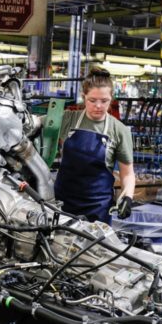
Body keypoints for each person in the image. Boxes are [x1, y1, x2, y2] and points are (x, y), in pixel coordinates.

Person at [54, 67, 135, 224]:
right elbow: (32, 124)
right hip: (62, 204)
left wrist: (128, 196)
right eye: (92, 100)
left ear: (111, 99)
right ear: (84, 97)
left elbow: (128, 174)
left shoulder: (119, 130)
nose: (98, 106)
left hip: (98, 209)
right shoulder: (67, 119)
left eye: (104, 101)